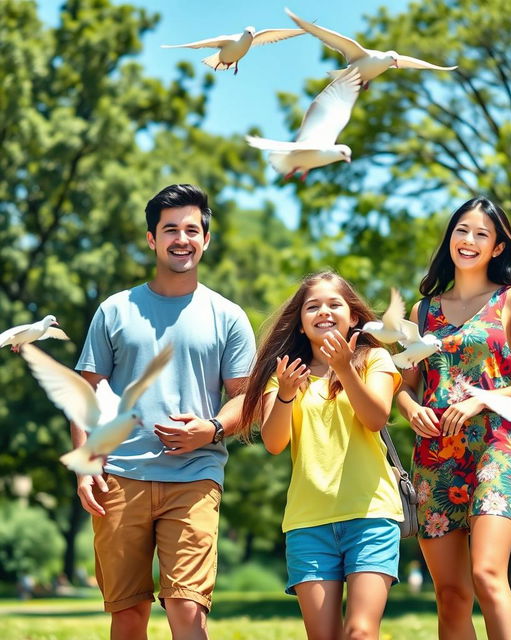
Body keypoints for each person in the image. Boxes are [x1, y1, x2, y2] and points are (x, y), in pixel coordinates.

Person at [71, 184, 256, 640]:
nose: (182, 239)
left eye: (192, 229)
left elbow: (245, 398)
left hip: (195, 476)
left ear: (206, 239)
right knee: (128, 613)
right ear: (152, 239)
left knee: (187, 609)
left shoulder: (228, 316)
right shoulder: (114, 310)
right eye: (170, 229)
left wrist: (210, 429)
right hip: (119, 477)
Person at [396, 197, 511, 640]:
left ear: (498, 248)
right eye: (462, 230)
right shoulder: (423, 312)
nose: (469, 240)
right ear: (450, 238)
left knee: (486, 575)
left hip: (497, 447)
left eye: (482, 234)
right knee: (450, 593)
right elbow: (405, 386)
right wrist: (411, 410)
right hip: (435, 453)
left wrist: (482, 399)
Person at [239, 271, 404, 640]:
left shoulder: (375, 358)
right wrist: (284, 393)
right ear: (300, 323)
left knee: (360, 632)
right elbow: (274, 442)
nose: (324, 312)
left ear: (355, 316)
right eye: (312, 306)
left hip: (371, 516)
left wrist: (345, 368)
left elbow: (376, 417)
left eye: (334, 304)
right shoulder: (285, 375)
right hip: (308, 524)